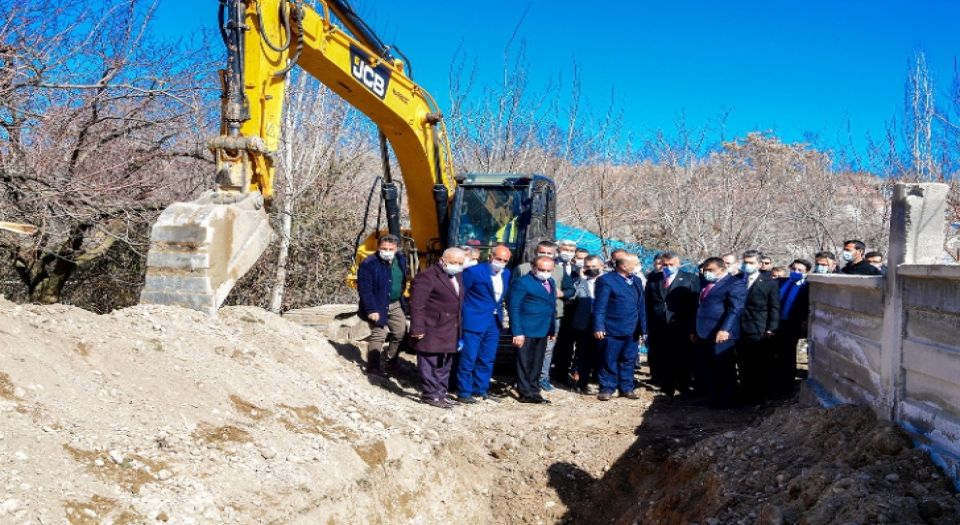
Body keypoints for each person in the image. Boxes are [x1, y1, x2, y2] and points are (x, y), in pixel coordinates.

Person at [409, 248, 466, 409]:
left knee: (445, 363)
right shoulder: (426, 277)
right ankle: (430, 395)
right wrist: (417, 328)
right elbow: (417, 305)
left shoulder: (458, 276)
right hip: (432, 327)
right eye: (454, 262)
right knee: (429, 362)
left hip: (451, 328)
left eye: (460, 263)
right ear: (442, 260)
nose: (457, 266)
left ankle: (441, 393)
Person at [515, 241, 575, 390]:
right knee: (525, 350)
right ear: (536, 253)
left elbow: (571, 290)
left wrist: (562, 293)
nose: (546, 255)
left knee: (546, 350)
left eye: (549, 253)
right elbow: (513, 295)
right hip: (528, 316)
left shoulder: (559, 271)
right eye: (542, 252)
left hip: (552, 316)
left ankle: (542, 377)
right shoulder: (523, 269)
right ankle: (523, 380)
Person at [456, 244, 512, 404]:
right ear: (490, 257)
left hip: (493, 322)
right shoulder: (473, 272)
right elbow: (461, 295)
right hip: (474, 320)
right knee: (469, 357)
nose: (501, 262)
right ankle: (464, 392)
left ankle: (480, 389)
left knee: (487, 358)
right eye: (498, 259)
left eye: (505, 260)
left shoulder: (506, 274)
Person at [691, 257, 746, 409]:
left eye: (711, 270)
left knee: (724, 367)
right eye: (705, 270)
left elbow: (735, 309)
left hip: (721, 332)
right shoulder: (705, 283)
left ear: (722, 269)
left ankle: (727, 400)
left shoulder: (735, 283)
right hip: (703, 331)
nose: (706, 273)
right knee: (708, 367)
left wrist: (725, 329)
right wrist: (694, 330)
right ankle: (712, 397)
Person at [644, 251, 700, 397]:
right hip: (658, 325)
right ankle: (666, 385)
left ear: (678, 264)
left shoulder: (690, 279)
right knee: (662, 356)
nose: (668, 267)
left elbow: (695, 305)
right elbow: (648, 303)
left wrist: (692, 328)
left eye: (671, 264)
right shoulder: (653, 278)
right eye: (665, 264)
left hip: (681, 325)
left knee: (682, 356)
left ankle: (683, 385)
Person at [593, 253, 648, 401]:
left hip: (633, 329)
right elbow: (600, 307)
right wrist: (598, 326)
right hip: (612, 328)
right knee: (609, 359)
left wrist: (644, 328)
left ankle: (627, 388)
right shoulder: (606, 280)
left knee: (628, 359)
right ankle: (607, 388)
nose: (638, 266)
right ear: (623, 266)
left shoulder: (636, 280)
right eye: (635, 264)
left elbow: (641, 305)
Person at [508, 255, 558, 404]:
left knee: (537, 361)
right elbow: (514, 307)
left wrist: (551, 329)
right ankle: (525, 392)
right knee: (524, 361)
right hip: (526, 328)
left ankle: (534, 389)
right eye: (541, 269)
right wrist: (517, 332)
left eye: (548, 270)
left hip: (542, 328)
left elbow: (551, 306)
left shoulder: (551, 282)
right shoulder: (522, 283)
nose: (545, 272)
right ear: (534, 267)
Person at [356, 234, 408, 376]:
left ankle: (390, 362)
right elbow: (364, 289)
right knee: (379, 334)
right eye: (384, 248)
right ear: (378, 247)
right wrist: (371, 309)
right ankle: (373, 367)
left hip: (396, 303)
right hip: (377, 304)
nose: (387, 251)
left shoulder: (400, 259)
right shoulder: (369, 263)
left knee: (400, 331)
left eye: (391, 248)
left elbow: (403, 279)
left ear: (396, 248)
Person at [735, 250, 781, 402]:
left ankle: (760, 395)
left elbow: (774, 307)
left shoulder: (769, 283)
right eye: (745, 262)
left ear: (760, 264)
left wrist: (771, 328)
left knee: (759, 363)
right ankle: (745, 393)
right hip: (738, 328)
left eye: (751, 263)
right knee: (743, 362)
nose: (747, 265)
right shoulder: (737, 279)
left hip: (758, 328)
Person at [772, 258, 812, 397]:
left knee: (787, 356)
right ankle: (773, 384)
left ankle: (787, 387)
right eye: (794, 269)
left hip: (792, 326)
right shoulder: (779, 282)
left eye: (800, 270)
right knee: (773, 355)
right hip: (775, 324)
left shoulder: (807, 288)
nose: (795, 272)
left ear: (806, 272)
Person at [571, 255, 604, 394]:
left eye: (594, 267)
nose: (591, 269)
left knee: (603, 353)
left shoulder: (608, 281)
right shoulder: (578, 282)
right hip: (584, 322)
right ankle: (582, 383)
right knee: (584, 354)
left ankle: (604, 383)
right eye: (588, 267)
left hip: (603, 322)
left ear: (601, 266)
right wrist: (580, 279)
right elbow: (572, 296)